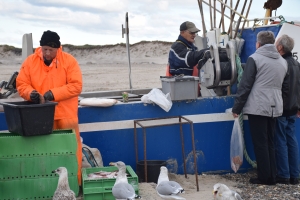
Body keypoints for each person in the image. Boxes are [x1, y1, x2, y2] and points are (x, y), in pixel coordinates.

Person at [16, 30, 83, 185]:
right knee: (43, 151)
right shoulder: (30, 61)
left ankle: (75, 183)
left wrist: (52, 94)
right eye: (44, 48)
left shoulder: (69, 61)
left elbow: (76, 86)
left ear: (58, 48)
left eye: (50, 50)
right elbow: (21, 84)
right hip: (40, 117)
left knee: (72, 150)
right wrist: (30, 93)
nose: (46, 52)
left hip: (66, 115)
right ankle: (45, 185)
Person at [232, 31, 288, 185]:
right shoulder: (282, 61)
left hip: (258, 106)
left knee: (260, 142)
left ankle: (264, 177)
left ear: (258, 44)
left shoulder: (255, 59)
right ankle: (272, 175)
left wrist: (237, 107)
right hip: (275, 106)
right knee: (270, 141)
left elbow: (245, 85)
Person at [274, 34, 300, 185]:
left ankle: (284, 174)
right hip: (293, 107)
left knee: (281, 141)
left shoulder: (281, 64)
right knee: (292, 140)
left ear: (280, 47)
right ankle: (295, 175)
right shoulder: (297, 63)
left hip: (282, 108)